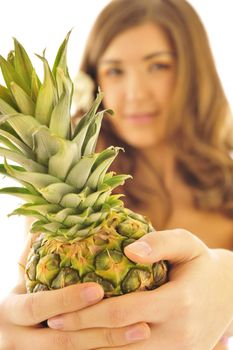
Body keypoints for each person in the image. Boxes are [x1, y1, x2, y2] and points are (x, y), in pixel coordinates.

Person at [1, 0, 233, 349]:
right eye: (115, 71)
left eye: (158, 66)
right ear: (95, 81)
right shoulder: (58, 217)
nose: (135, 93)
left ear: (194, 72)